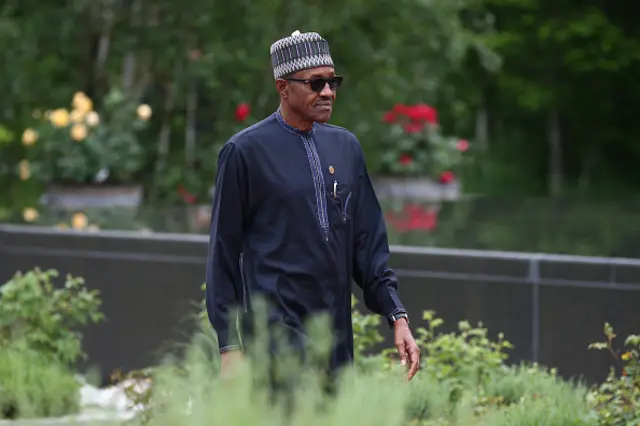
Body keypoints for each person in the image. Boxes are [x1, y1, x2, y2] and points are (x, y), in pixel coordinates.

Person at [206, 30, 420, 382]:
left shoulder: (346, 147)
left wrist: (396, 315)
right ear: (283, 87)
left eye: (332, 82)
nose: (327, 92)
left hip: (335, 334)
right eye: (316, 83)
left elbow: (367, 246)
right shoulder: (244, 152)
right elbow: (222, 254)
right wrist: (229, 347)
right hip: (272, 333)